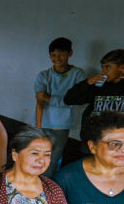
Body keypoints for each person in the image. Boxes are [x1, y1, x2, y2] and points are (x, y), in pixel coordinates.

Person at [34, 37, 87, 177]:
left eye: (62, 54)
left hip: (62, 124)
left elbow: (77, 100)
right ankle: (40, 182)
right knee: (41, 155)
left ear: (70, 53)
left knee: (54, 157)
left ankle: (47, 186)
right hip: (45, 123)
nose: (57, 58)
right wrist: (38, 126)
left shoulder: (78, 74)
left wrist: (52, 98)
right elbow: (39, 102)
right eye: (53, 55)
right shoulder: (44, 75)